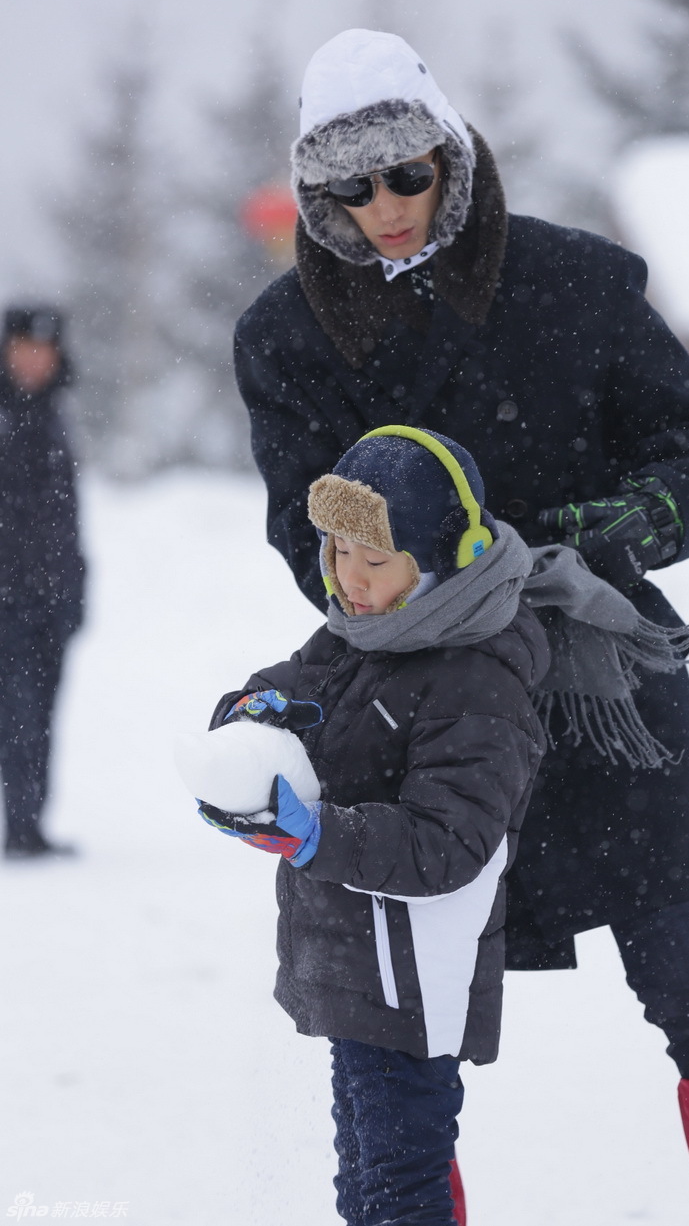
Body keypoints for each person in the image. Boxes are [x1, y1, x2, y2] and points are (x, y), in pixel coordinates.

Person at [232, 29, 689, 1226]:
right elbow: (305, 532)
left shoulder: (574, 282)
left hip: (596, 673)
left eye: (405, 174)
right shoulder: (285, 336)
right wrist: (394, 581)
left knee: (684, 981)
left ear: (449, 159)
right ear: (316, 195)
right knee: (400, 1019)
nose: (385, 207)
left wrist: (630, 522)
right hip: (416, 702)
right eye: (349, 187)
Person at [197, 426, 550, 1226]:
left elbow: (447, 844)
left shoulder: (477, 675)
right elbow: (291, 687)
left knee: (399, 1191)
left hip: (412, 987)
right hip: (361, 974)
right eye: (337, 549)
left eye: (374, 558)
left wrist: (321, 836)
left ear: (442, 558)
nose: (348, 577)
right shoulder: (362, 631)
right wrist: (246, 721)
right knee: (366, 1189)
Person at [0, 305, 85, 859]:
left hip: (49, 601)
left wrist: (75, 592)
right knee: (18, 715)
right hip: (7, 602)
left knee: (41, 714)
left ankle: (30, 824)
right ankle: (22, 828)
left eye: (44, 349)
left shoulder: (53, 415)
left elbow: (65, 519)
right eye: (26, 347)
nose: (35, 359)